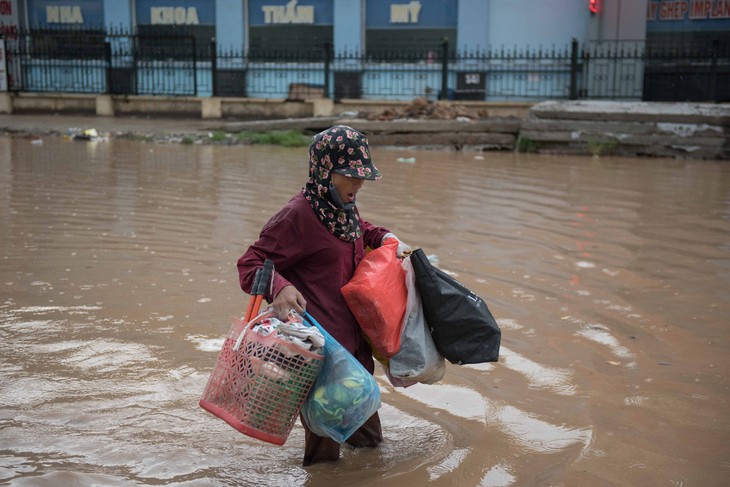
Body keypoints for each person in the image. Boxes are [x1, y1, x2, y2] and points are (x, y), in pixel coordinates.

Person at [237, 125, 410, 466]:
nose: (359, 184)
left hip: (354, 352)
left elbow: (360, 229)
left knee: (370, 444)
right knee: (324, 459)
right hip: (322, 358)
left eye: (362, 176)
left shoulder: (341, 207)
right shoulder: (297, 215)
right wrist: (280, 286)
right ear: (325, 172)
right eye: (350, 176)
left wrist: (387, 237)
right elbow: (250, 264)